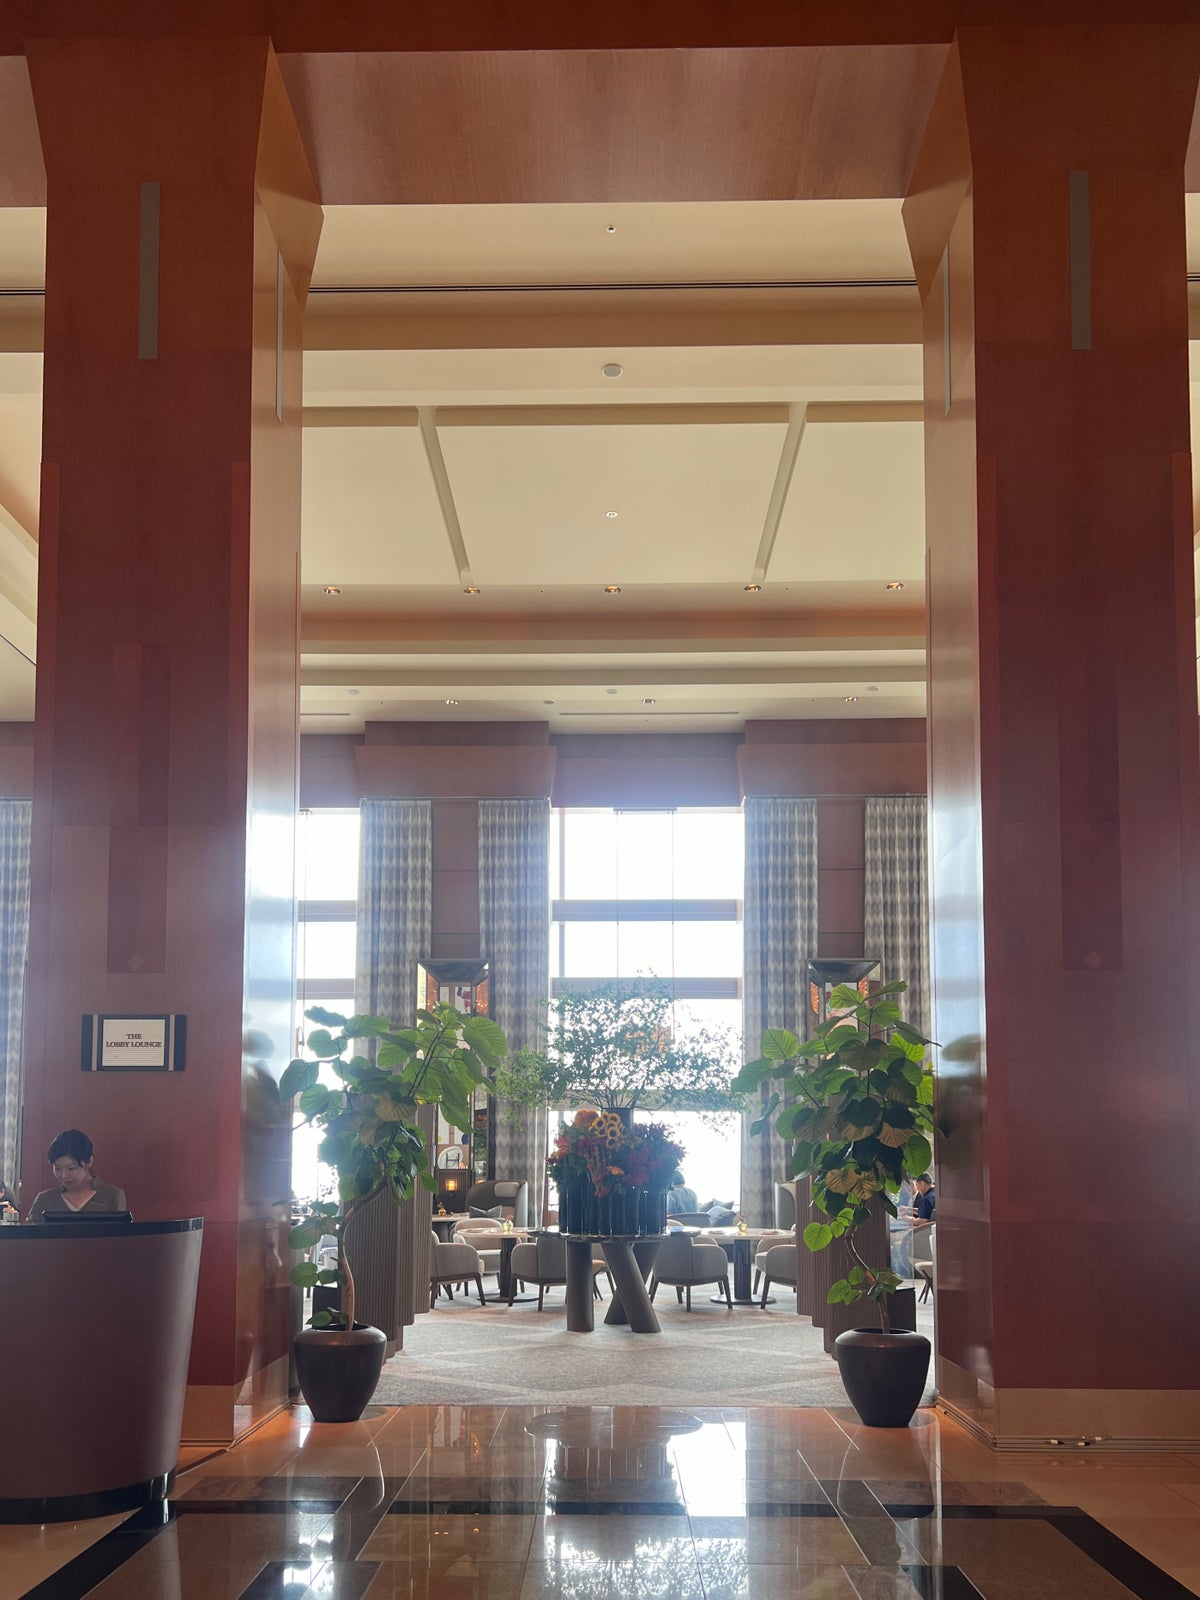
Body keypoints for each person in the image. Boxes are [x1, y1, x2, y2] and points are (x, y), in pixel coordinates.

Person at [26, 1129, 127, 1222]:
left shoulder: (112, 1196)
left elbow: (118, 1240)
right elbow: (30, 1239)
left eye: (71, 1168)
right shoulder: (45, 1199)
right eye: (58, 1168)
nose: (64, 1176)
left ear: (89, 1162)